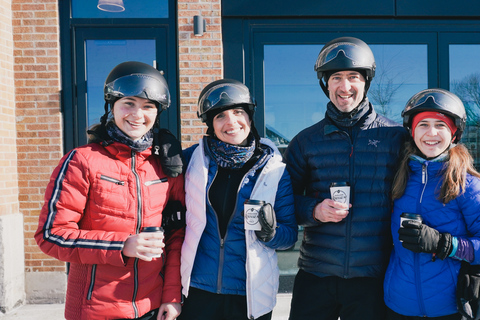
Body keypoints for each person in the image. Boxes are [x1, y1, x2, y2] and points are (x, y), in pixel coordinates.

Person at [35, 61, 185, 320]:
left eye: (148, 106)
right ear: (111, 106)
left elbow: (175, 238)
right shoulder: (82, 161)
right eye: (129, 103)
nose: (138, 115)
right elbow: (51, 236)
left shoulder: (166, 166)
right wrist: (122, 245)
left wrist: (171, 297)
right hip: (95, 310)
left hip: (152, 307)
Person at [284, 36, 407, 320]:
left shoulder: (395, 138)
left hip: (372, 276)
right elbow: (284, 201)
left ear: (366, 82)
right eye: (336, 77)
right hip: (317, 273)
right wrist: (313, 210)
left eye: (353, 76)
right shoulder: (305, 141)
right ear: (325, 83)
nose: (345, 86)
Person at [178, 79, 298, 320]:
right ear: (211, 124)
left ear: (250, 118)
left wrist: (270, 233)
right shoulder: (191, 161)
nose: (231, 122)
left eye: (238, 112)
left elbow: (290, 236)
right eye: (220, 115)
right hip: (198, 289)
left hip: (250, 292)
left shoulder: (273, 170)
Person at [384, 88, 480, 320]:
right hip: (398, 305)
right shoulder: (400, 176)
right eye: (423, 124)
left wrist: (443, 244)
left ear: (454, 133)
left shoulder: (468, 184)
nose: (431, 132)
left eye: (441, 125)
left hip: (450, 308)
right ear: (412, 130)